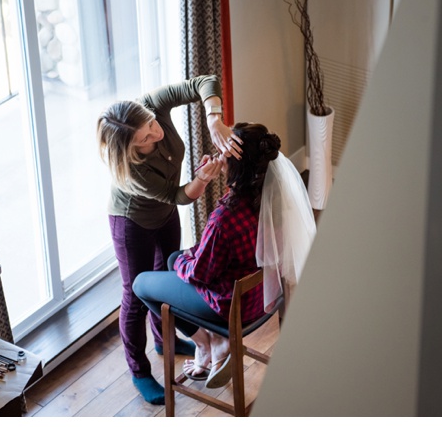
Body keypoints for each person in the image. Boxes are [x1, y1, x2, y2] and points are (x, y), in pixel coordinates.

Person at [133, 122, 316, 390]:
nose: (218, 156)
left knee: (142, 284)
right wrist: (184, 258)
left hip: (231, 308)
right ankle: (213, 345)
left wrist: (186, 259)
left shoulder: (225, 217)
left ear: (234, 166)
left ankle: (207, 343)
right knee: (173, 260)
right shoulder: (274, 199)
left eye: (223, 152)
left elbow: (199, 273)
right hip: (263, 295)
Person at [96, 75, 243, 405]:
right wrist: (202, 179)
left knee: (169, 275)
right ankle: (139, 371)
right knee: (135, 294)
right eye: (145, 138)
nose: (155, 133)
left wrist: (214, 119)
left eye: (149, 123)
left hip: (164, 215)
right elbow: (177, 194)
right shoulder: (131, 170)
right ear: (130, 149)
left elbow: (204, 82)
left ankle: (165, 340)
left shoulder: (152, 106)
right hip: (132, 222)